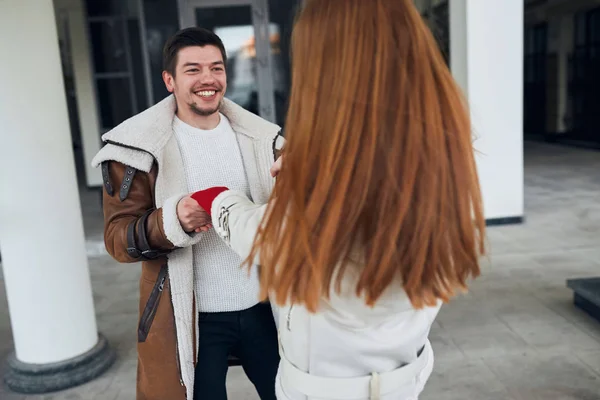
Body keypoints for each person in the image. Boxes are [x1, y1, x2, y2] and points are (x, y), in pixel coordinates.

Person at [190, 0, 487, 399]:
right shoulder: (448, 154)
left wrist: (218, 199)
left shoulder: (332, 179)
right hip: (403, 376)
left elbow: (266, 239)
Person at [92, 27, 283, 400]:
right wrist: (171, 222)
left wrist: (300, 180)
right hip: (192, 318)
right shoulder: (136, 151)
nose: (208, 79)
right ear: (170, 80)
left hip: (265, 307)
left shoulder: (263, 141)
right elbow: (117, 240)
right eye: (193, 70)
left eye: (216, 68)